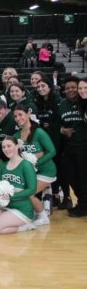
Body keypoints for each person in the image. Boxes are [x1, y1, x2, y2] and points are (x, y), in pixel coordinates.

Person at [0, 137, 37, 234]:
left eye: (9, 146)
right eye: (4, 147)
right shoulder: (3, 165)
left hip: (21, 208)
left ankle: (25, 227)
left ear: (17, 146)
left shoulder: (26, 165)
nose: (6, 149)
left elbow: (32, 189)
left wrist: (11, 196)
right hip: (5, 205)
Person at [13, 103, 56, 226]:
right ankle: (31, 214)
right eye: (15, 116)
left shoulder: (39, 132)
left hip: (46, 171)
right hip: (32, 172)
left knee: (28, 193)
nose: (18, 118)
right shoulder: (17, 136)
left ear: (28, 114)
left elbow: (52, 151)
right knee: (21, 192)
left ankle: (43, 218)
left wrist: (36, 162)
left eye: (20, 114)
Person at [58, 76, 87, 217]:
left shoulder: (83, 103)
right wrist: (61, 130)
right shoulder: (62, 104)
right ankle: (82, 203)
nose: (70, 90)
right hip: (68, 147)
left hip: (83, 146)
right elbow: (55, 124)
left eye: (74, 87)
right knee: (71, 177)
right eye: (67, 88)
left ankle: (83, 206)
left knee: (83, 178)